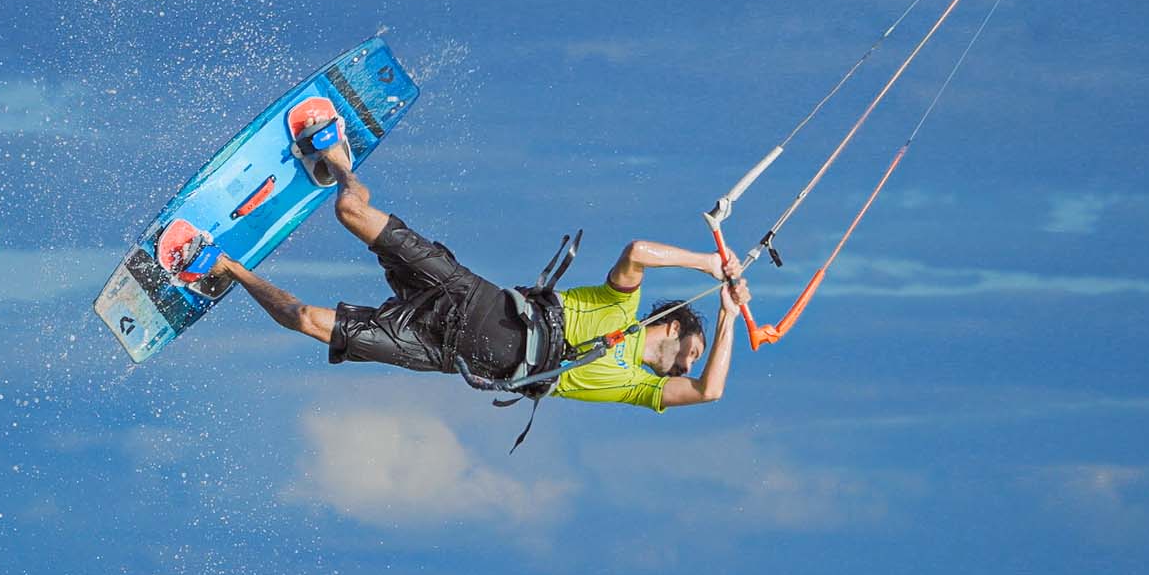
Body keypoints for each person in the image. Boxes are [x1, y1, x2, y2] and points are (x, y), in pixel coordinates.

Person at [190, 121, 751, 414]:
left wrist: (728, 318)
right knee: (349, 209)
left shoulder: (638, 388)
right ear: (673, 326)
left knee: (308, 321)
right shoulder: (621, 305)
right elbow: (637, 251)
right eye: (691, 354)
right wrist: (709, 263)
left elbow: (710, 393)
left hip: (447, 353)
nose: (685, 368)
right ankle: (335, 156)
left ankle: (226, 268)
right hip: (473, 298)